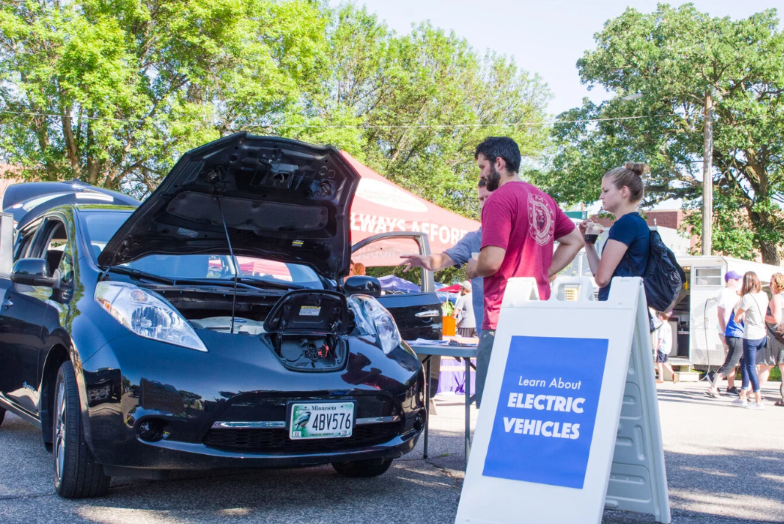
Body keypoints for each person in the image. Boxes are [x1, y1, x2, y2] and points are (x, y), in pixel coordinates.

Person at [466, 137, 584, 406]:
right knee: (526, 406)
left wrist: (474, 268)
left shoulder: (498, 200)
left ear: (499, 163)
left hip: (501, 316)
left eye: (483, 167)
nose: (482, 175)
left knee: (492, 407)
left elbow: (491, 262)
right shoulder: (543, 199)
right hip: (537, 315)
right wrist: (542, 272)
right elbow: (575, 240)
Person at [401, 179, 491, 332]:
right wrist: (426, 260)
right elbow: (443, 259)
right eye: (481, 199)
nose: (484, 203)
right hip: (486, 328)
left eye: (488, 197)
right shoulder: (472, 239)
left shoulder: (517, 232)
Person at [580, 163, 651, 302]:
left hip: (618, 307)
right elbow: (600, 276)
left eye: (605, 191)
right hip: (630, 305)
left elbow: (601, 279)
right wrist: (588, 243)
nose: (601, 196)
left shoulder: (625, 224)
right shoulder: (636, 222)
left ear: (624, 191)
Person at [733, 271, 769, 409]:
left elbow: (737, 316)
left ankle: (758, 399)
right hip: (762, 335)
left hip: (751, 336)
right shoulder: (764, 295)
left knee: (750, 366)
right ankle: (742, 395)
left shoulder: (747, 297)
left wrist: (738, 318)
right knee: (745, 363)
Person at [706, 283, 744, 398]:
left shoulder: (740, 301)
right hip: (736, 335)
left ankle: (732, 387)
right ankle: (713, 385)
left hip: (734, 334)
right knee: (730, 363)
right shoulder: (740, 302)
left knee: (733, 362)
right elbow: (740, 319)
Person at [714, 270, 743, 394]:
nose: (738, 282)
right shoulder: (724, 293)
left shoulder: (734, 294)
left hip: (733, 330)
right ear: (730, 280)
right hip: (728, 330)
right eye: (736, 280)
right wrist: (725, 331)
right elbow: (720, 314)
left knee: (731, 358)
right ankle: (717, 380)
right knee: (730, 359)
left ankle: (730, 385)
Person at [761, 272, 784, 406]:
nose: (769, 286)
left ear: (777, 284)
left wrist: (762, 315)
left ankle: (752, 392)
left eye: (771, 283)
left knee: (766, 365)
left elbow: (776, 319)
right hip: (781, 336)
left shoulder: (776, 298)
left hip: (776, 337)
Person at [654, 311, 675, 384]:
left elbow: (661, 338)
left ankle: (661, 378)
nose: (659, 317)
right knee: (664, 362)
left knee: (659, 362)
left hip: (662, 347)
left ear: (662, 317)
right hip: (667, 347)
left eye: (659, 316)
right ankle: (673, 373)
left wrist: (657, 346)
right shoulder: (668, 325)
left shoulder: (662, 326)